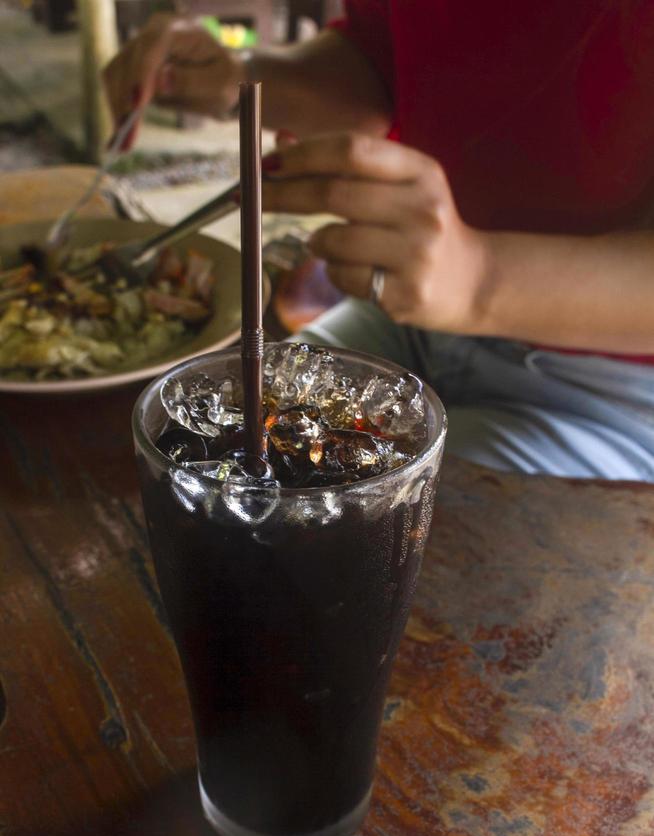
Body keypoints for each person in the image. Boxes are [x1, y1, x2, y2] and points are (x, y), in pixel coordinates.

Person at [104, 2, 654, 480]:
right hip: (415, 321)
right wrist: (238, 78)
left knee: (383, 540)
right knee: (222, 452)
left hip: (612, 391)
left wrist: (480, 279)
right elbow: (381, 60)